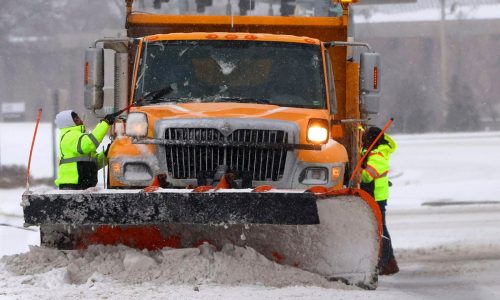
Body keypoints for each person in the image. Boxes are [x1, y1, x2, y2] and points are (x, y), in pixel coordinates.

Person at [360, 126, 399, 276]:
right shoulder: (371, 151)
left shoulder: (379, 155)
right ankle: (385, 261)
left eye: (365, 138)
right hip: (371, 194)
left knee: (381, 229)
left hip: (377, 196)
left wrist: (357, 173)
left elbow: (368, 176)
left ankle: (387, 262)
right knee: (379, 228)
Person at [54, 110, 119, 190]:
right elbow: (89, 144)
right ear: (69, 123)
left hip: (81, 186)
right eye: (76, 120)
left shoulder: (79, 136)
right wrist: (105, 123)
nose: (81, 120)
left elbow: (94, 164)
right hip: (72, 187)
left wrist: (106, 154)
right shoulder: (69, 136)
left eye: (79, 118)